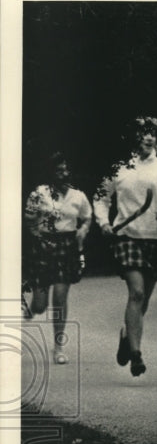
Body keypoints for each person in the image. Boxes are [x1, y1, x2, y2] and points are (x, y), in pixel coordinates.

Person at [94, 116, 157, 377]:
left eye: (153, 133)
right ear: (133, 137)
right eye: (143, 133)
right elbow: (101, 197)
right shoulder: (119, 168)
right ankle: (136, 355)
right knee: (136, 293)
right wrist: (103, 222)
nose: (149, 137)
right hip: (127, 236)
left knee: (143, 300)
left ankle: (127, 335)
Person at [23, 152, 92, 364]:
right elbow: (28, 218)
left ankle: (58, 347)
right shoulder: (39, 193)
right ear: (51, 172)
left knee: (60, 298)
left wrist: (83, 230)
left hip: (66, 246)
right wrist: (35, 232)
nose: (63, 173)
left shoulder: (78, 196)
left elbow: (87, 217)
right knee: (41, 305)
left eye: (66, 169)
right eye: (59, 170)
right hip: (44, 246)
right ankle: (32, 309)